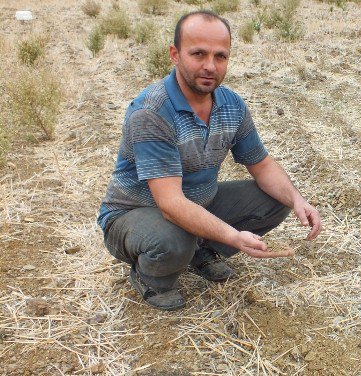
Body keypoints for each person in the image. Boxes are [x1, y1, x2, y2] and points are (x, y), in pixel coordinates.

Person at [97, 11, 322, 310]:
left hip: (197, 203)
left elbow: (262, 164)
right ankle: (150, 278)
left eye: (220, 56)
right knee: (174, 239)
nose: (210, 66)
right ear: (175, 55)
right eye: (199, 54)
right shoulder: (151, 112)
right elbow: (170, 204)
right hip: (134, 214)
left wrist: (297, 199)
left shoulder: (231, 105)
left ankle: (201, 252)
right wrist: (233, 237)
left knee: (276, 199)